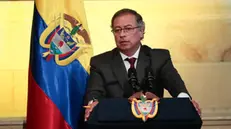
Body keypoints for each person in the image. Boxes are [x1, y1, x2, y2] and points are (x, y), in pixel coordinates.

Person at [84, 8, 201, 121]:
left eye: (128, 28)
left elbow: (177, 88)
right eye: (117, 30)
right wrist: (93, 104)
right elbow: (94, 95)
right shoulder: (100, 62)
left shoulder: (159, 58)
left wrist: (186, 103)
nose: (122, 34)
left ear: (141, 31)